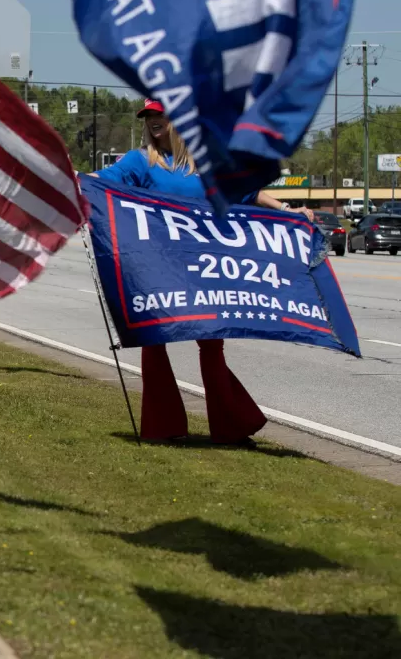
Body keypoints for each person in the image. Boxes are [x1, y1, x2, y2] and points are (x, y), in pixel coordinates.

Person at [94, 100, 312, 443]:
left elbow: (249, 192)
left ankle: (231, 427)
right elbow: (101, 182)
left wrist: (288, 209)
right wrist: (70, 180)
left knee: (211, 345)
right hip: (157, 266)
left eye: (160, 115)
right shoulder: (139, 161)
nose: (154, 121)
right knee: (154, 341)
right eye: (149, 116)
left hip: (205, 268)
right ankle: (163, 428)